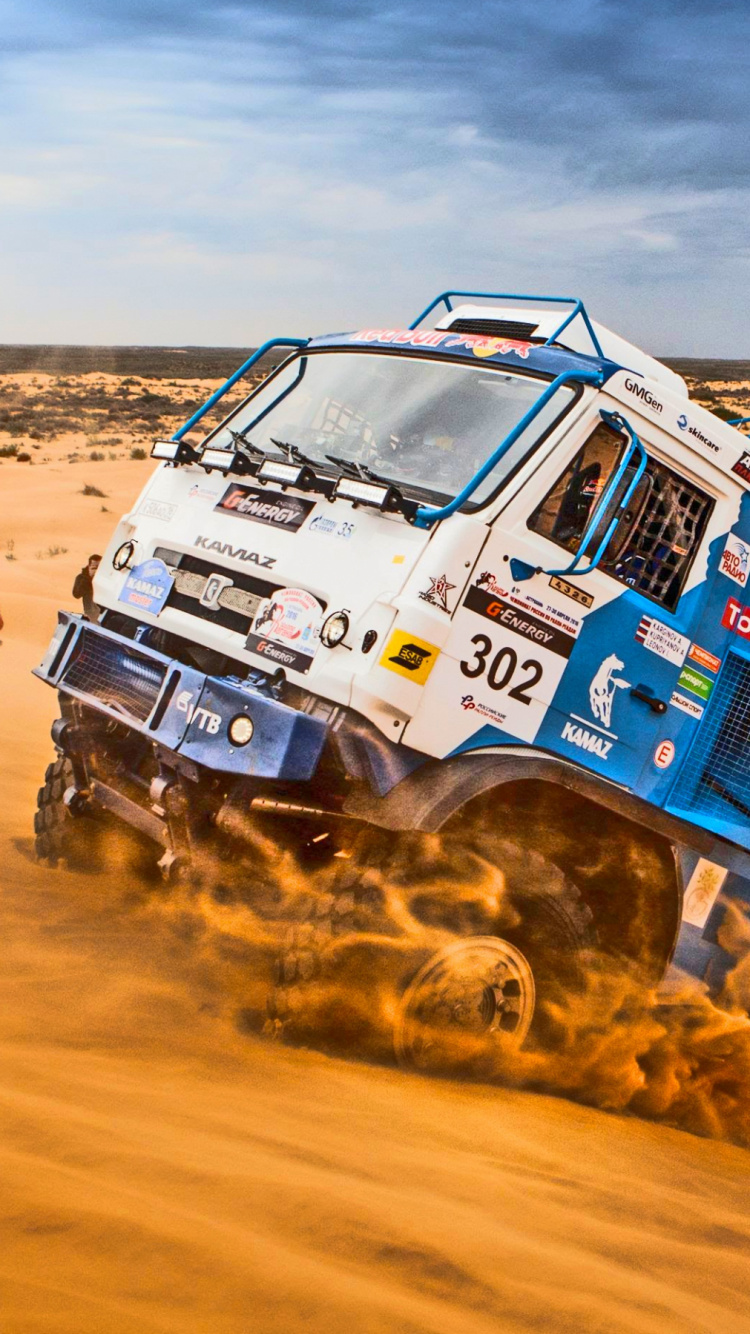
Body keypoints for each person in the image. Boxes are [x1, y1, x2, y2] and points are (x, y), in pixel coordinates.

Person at [73, 554, 101, 621]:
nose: (96, 571)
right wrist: (87, 580)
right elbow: (76, 594)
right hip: (90, 615)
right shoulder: (82, 578)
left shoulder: (106, 579)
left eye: (99, 568)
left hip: (103, 614)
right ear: (88, 567)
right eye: (94, 568)